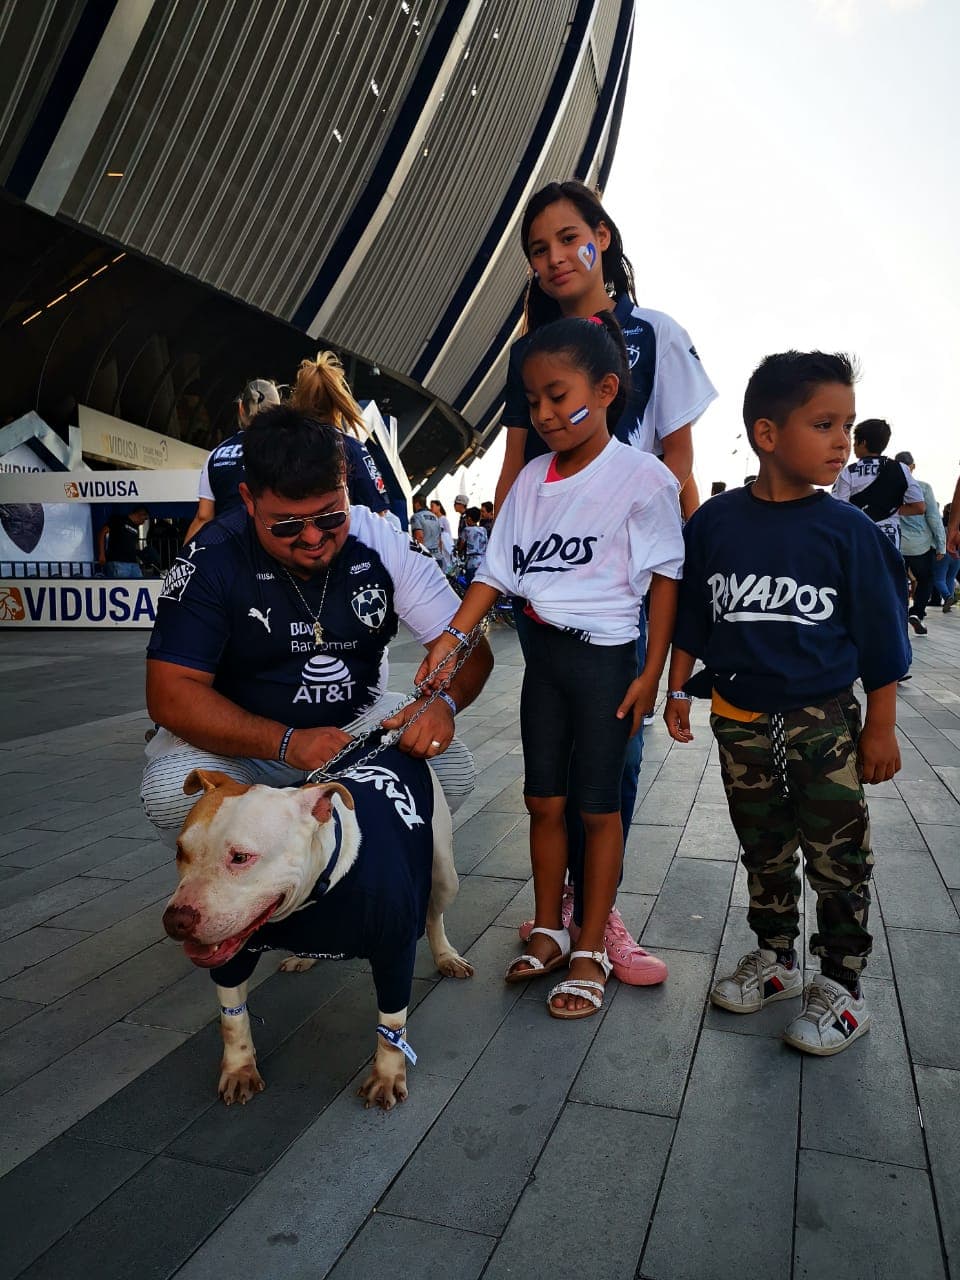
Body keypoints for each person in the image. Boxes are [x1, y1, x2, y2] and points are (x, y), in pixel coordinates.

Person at [419, 316, 684, 1018]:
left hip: (607, 664)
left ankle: (591, 947)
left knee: (599, 811)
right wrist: (451, 636)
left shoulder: (642, 477)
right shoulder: (533, 477)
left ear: (604, 389)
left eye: (555, 395)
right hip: (546, 661)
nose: (542, 414)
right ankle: (549, 928)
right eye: (531, 402)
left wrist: (650, 671)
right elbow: (496, 573)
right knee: (544, 802)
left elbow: (665, 579)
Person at [492, 179, 716, 981]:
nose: (553, 258)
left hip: (629, 590)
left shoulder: (655, 335)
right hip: (557, 594)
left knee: (612, 769)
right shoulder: (535, 351)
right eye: (538, 248)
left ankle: (597, 921)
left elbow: (679, 462)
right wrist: (505, 566)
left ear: (604, 237)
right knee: (550, 776)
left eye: (567, 238)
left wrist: (682, 584)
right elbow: (515, 467)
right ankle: (563, 917)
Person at [666, 351, 910, 1055]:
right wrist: (678, 687)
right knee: (764, 849)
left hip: (823, 723)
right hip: (739, 720)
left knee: (838, 857)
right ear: (768, 434)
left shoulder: (850, 532)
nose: (842, 441)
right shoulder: (715, 523)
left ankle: (842, 983)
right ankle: (776, 960)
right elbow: (692, 619)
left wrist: (882, 727)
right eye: (825, 423)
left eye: (848, 425)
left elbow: (881, 635)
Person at [141, 405, 493, 841]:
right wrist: (285, 742)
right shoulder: (211, 557)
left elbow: (469, 646)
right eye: (287, 524)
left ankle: (346, 863)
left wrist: (444, 703)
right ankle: (253, 868)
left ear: (347, 487)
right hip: (242, 742)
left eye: (330, 516)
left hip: (355, 726)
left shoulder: (381, 543)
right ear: (249, 500)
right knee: (169, 793)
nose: (311, 537)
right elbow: (169, 692)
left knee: (451, 769)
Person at [289, 351, 390, 518]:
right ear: (337, 402)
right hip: (337, 539)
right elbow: (378, 513)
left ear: (298, 397)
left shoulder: (279, 444)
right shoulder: (352, 448)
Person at [185, 379, 281, 543]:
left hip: (229, 551)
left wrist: (183, 560)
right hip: (276, 547)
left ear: (241, 409)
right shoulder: (290, 447)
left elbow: (203, 517)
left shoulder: (216, 455)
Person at [831, 418, 924, 551]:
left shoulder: (850, 472)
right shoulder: (901, 469)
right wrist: (892, 510)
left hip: (859, 537)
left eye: (855, 441)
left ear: (863, 442)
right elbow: (919, 507)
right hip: (890, 538)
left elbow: (839, 509)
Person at [895, 451, 945, 635]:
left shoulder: (888, 488)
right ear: (913, 466)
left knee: (896, 581)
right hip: (920, 546)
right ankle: (917, 613)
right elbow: (933, 517)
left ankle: (896, 616)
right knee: (926, 579)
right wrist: (941, 545)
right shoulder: (922, 487)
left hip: (895, 544)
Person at [98, 506, 149, 577]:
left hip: (133, 563)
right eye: (145, 518)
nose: (144, 522)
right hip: (118, 561)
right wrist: (102, 554)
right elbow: (102, 532)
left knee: (140, 584)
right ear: (140, 514)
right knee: (120, 584)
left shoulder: (136, 527)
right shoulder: (119, 520)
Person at [932, 503, 959, 611]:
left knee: (938, 579)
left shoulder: (940, 523)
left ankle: (948, 597)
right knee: (950, 578)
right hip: (956, 555)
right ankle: (949, 601)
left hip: (943, 553)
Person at [410, 495, 443, 563]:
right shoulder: (435, 517)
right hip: (438, 557)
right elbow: (440, 540)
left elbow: (419, 537)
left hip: (426, 559)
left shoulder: (416, 517)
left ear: (416, 504)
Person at [460, 507, 488, 583]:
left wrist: (459, 551)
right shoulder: (483, 530)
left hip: (472, 562)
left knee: (470, 584)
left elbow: (461, 545)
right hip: (483, 561)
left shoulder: (466, 530)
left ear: (469, 518)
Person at [430, 499, 455, 572]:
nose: (431, 508)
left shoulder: (443, 519)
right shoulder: (434, 519)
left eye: (432, 506)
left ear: (439, 507)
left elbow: (448, 533)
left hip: (445, 546)